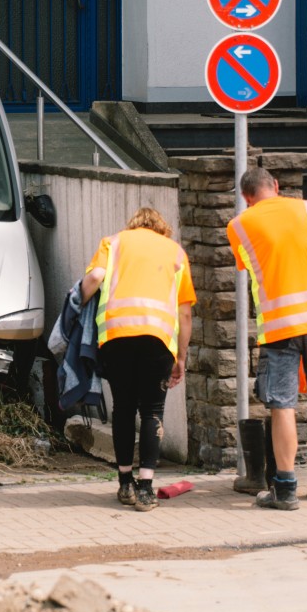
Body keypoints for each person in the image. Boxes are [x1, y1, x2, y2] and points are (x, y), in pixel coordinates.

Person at [227, 167, 307, 511]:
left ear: (246, 196)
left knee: (282, 404)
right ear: (277, 186)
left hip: (278, 327)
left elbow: (246, 265)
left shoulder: (239, 225)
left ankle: (284, 489)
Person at [80, 207, 196, 513]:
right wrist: (181, 357)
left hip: (116, 337)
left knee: (123, 408)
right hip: (158, 341)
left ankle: (124, 483)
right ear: (162, 228)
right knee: (152, 410)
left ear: (133, 225)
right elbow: (185, 312)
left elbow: (94, 277)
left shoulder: (113, 243)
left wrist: (77, 303)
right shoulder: (175, 252)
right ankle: (146, 489)